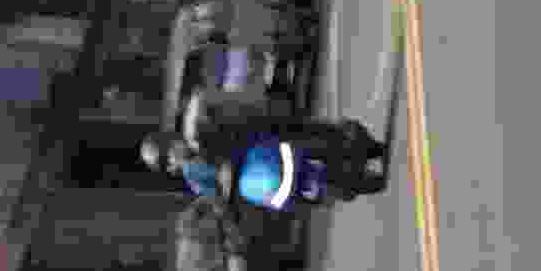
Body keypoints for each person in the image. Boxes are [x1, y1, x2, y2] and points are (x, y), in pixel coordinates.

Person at [159, 113, 393, 213]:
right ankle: (361, 157)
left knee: (314, 161)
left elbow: (222, 206)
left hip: (265, 189)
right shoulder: (199, 143)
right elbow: (241, 133)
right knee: (318, 146)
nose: (173, 156)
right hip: (266, 162)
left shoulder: (197, 178)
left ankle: (353, 179)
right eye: (169, 156)